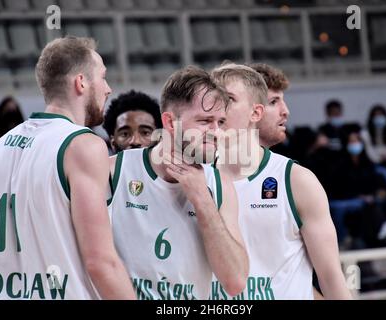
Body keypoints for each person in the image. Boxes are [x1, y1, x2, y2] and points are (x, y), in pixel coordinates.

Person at [0, 36, 135, 300]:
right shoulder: (83, 146)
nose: (108, 88)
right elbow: (101, 263)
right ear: (81, 82)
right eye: (103, 77)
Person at [210, 63, 352, 299]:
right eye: (274, 101)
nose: (285, 111)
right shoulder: (194, 179)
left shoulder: (297, 181)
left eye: (228, 99)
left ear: (254, 112)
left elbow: (331, 280)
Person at [108, 65, 249, 300]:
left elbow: (235, 281)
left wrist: (202, 199)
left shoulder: (219, 184)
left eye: (221, 122)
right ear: (170, 123)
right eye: (205, 121)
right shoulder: (114, 171)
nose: (216, 131)